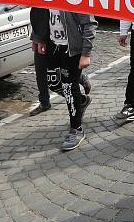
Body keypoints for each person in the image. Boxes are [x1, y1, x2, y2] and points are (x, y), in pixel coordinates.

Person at [30, 8, 97, 150]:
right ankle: (81, 101)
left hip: (72, 49)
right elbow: (40, 15)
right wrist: (38, 39)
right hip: (53, 45)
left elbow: (90, 23)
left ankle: (76, 129)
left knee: (69, 88)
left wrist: (86, 53)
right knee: (53, 83)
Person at [29, 8, 92, 116]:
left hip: (61, 41)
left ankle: (78, 92)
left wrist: (86, 53)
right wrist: (36, 38)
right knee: (41, 71)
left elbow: (89, 23)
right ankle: (44, 101)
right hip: (44, 36)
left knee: (63, 78)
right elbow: (38, 13)